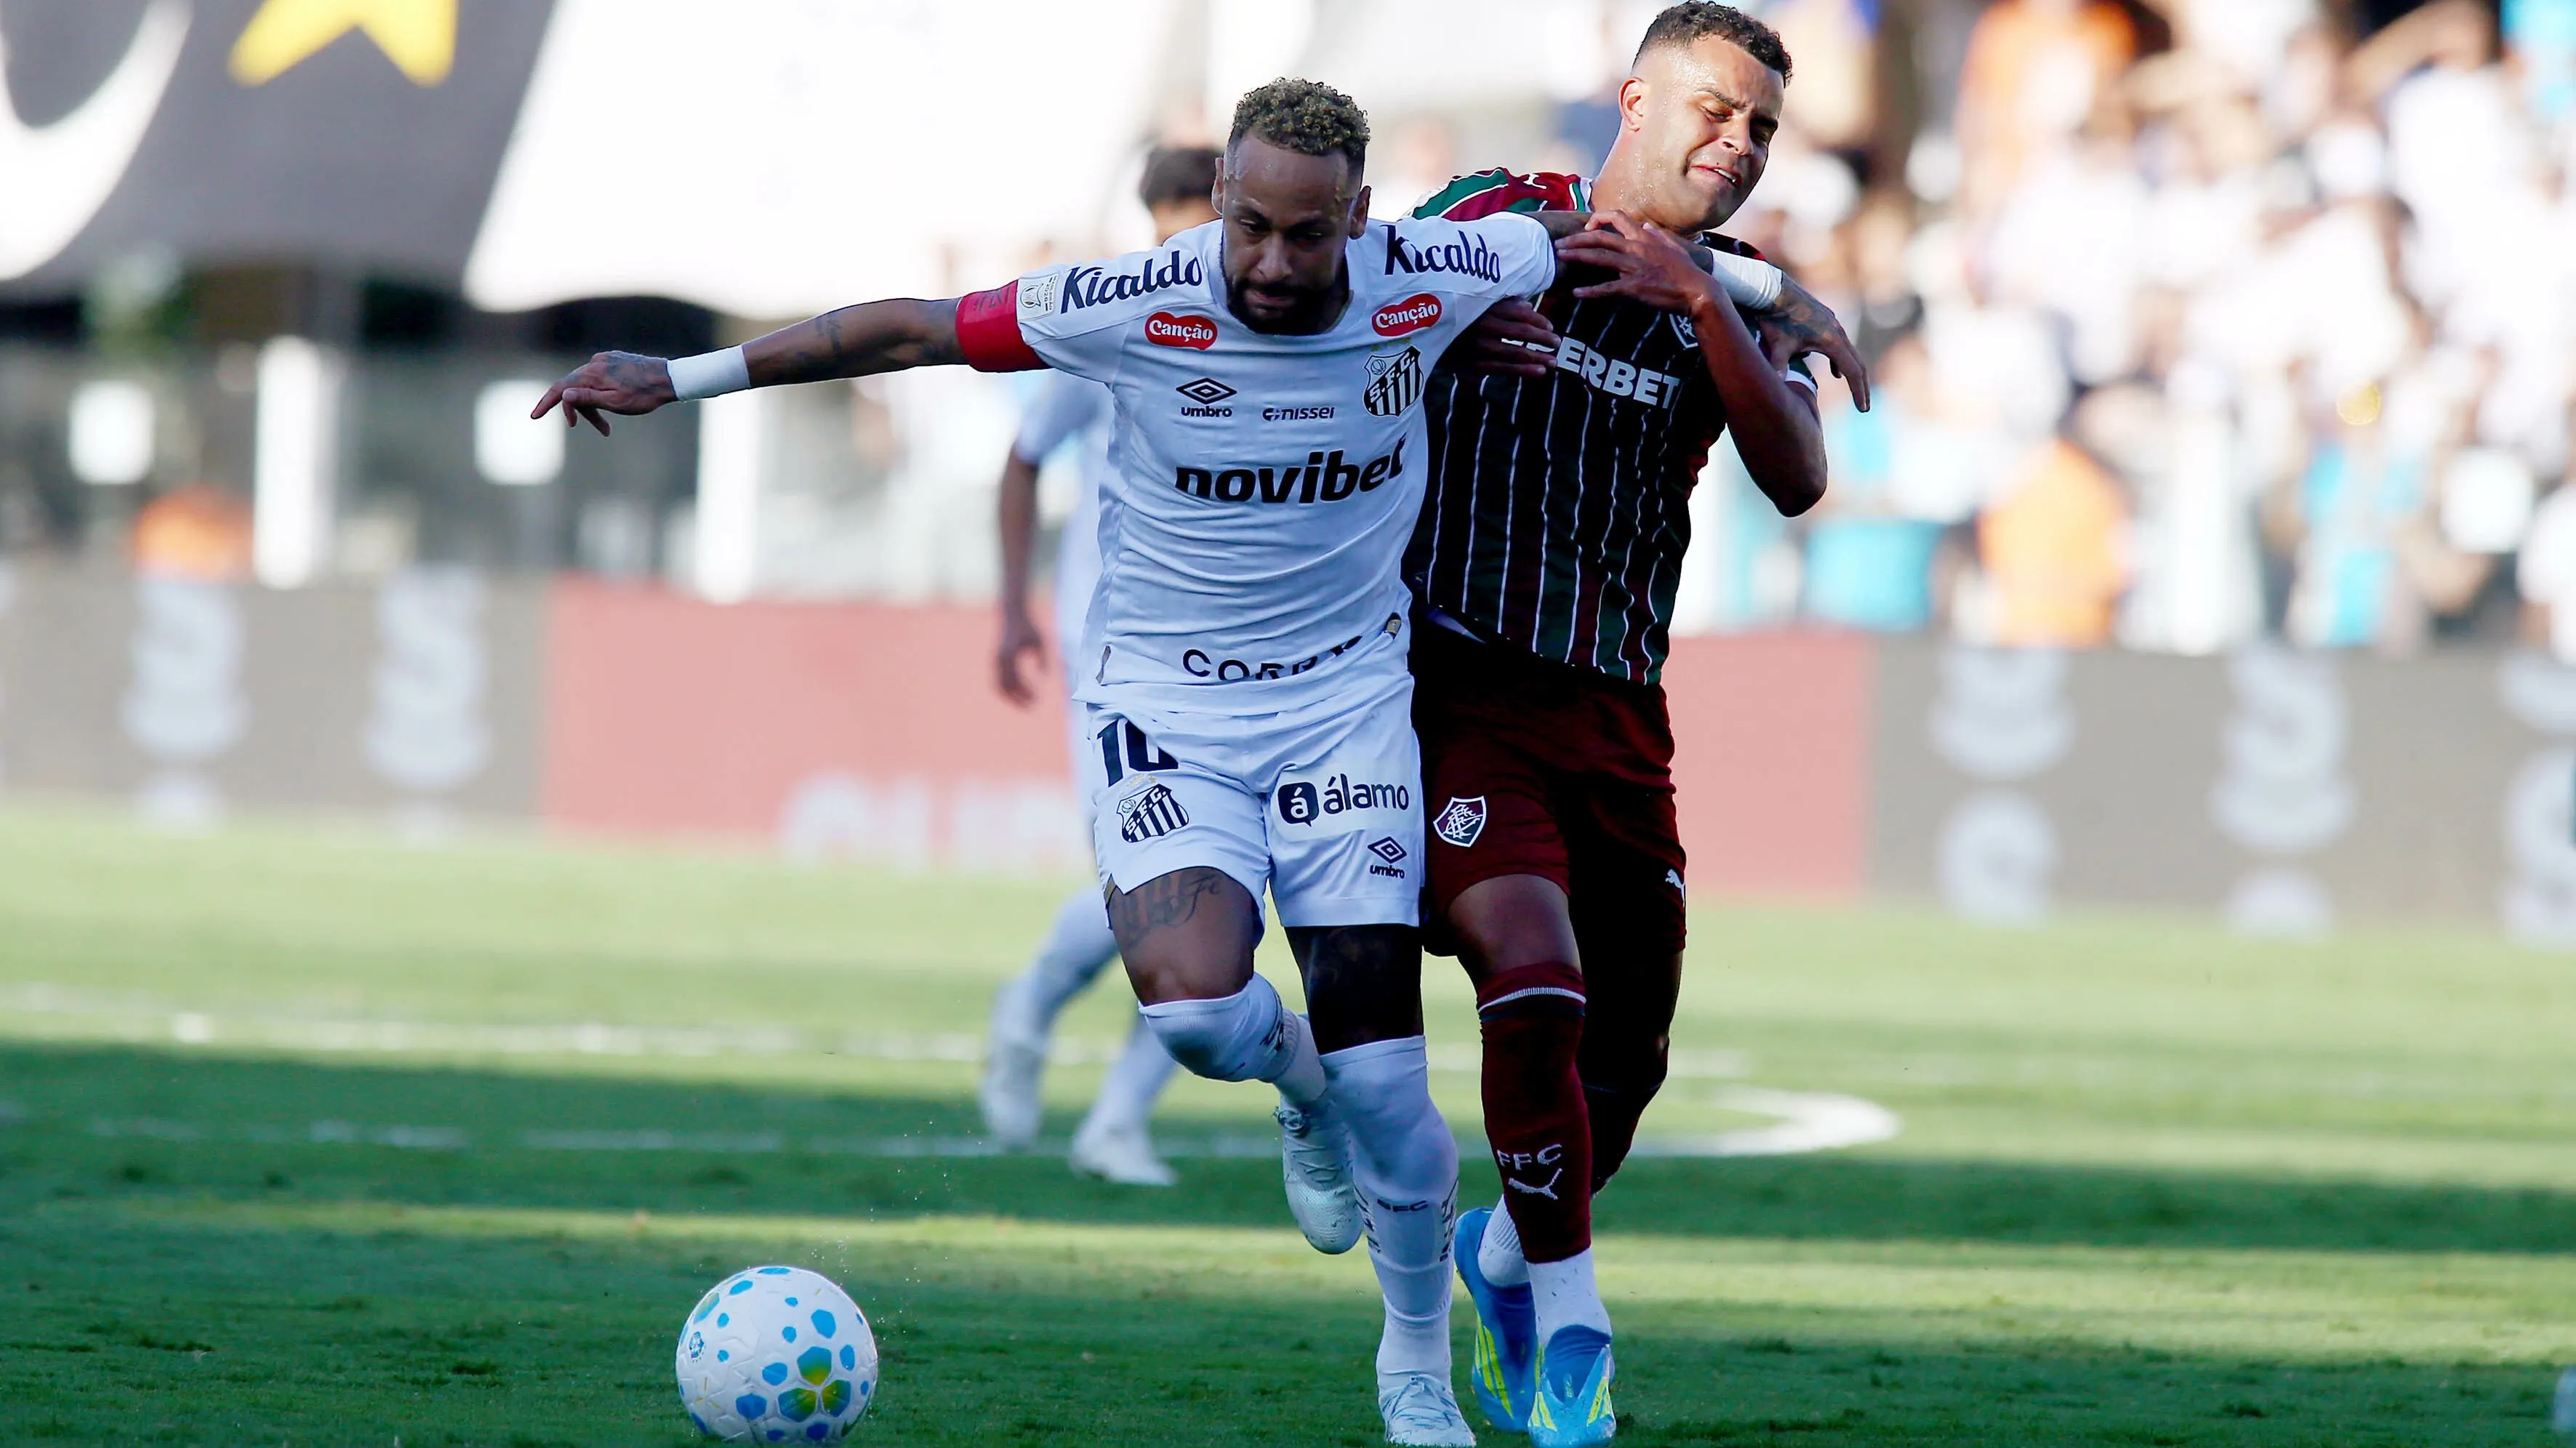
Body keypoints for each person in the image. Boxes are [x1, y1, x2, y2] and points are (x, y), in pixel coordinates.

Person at [531, 79, 1811, 1444]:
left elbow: (1633, 237)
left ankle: (1415, 1376)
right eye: (1248, 228)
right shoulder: (1130, 301)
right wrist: (673, 377)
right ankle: (1293, 1087)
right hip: (1168, 712)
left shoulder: (1438, 265)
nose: (1269, 263)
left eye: (1305, 238)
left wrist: (1791, 299)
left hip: (1348, 707)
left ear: (1359, 221)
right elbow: (906, 330)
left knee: (1401, 1091)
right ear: (1217, 208)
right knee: (1200, 1017)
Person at [1403, 7, 1856, 1444]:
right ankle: (1579, 1350)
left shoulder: (1728, 299)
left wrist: (1718, 301)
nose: (1737, 145)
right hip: (1457, 690)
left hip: (1615, 716)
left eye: (1762, 130)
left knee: (1626, 1068)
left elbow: (1796, 476)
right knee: (1529, 984)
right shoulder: (1491, 216)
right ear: (1634, 99)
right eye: (1717, 111)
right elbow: (1369, 301)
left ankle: (1504, 1261)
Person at [979, 145, 1224, 1188]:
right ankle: (1030, 1005)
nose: (1185, 238)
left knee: (1226, 899)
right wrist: (1011, 607)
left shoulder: (1278, 325)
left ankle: (1116, 1119)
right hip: (1115, 653)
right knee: (1149, 882)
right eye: (1170, 217)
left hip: (1243, 663)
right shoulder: (1121, 327)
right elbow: (1026, 455)